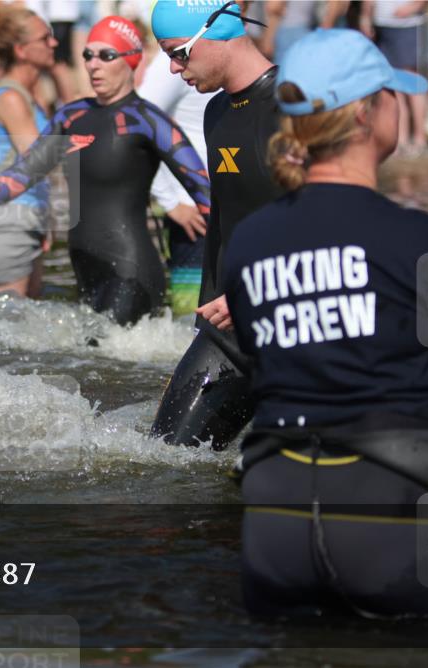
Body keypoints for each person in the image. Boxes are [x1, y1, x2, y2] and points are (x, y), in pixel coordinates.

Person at [223, 28, 428, 618]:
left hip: (276, 533)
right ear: (368, 113)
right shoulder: (420, 238)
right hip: (400, 522)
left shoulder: (247, 242)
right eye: (393, 93)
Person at [0, 15, 211, 326]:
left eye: (106, 55)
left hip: (131, 274)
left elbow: (204, 193)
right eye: (88, 55)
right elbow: (26, 170)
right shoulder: (72, 115)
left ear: (131, 60)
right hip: (86, 271)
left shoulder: (148, 121)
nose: (93, 65)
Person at [148, 0, 279, 449]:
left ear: (217, 32)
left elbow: (329, 225)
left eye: (179, 52)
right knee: (163, 467)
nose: (171, 69)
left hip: (294, 326)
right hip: (226, 333)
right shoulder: (216, 111)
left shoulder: (292, 107)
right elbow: (223, 219)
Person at [0, 3, 56, 298]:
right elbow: (39, 162)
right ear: (21, 50)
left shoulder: (30, 95)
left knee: (22, 334)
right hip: (9, 224)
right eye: (44, 38)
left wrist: (46, 221)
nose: (53, 43)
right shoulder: (11, 98)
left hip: (28, 220)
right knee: (3, 340)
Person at [137, 49, 214, 315]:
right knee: (190, 321)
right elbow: (138, 123)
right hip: (191, 215)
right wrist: (170, 202)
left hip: (229, 211)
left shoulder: (238, 47)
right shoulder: (172, 60)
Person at [361, 0, 428, 157]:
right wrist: (366, 16)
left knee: (413, 83)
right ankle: (400, 139)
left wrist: (414, 6)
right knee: (393, 83)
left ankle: (420, 139)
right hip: (383, 26)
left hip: (408, 25)